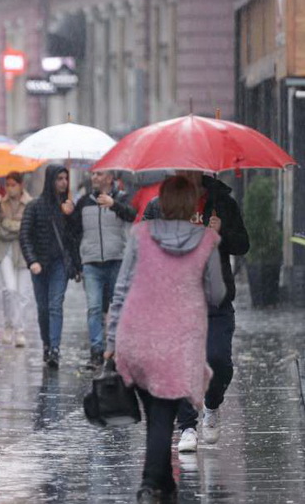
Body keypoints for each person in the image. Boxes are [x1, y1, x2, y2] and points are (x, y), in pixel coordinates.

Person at [105, 176, 225, 502]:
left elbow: (122, 288)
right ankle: (148, 484)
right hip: (177, 341)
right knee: (162, 416)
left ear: (162, 203)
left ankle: (165, 486)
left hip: (137, 336)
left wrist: (111, 341)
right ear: (190, 205)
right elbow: (217, 294)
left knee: (156, 416)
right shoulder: (205, 240)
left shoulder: (140, 235)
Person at [144, 172, 250, 453]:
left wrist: (221, 231)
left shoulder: (222, 202)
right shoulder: (159, 205)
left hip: (216, 298)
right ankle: (188, 426)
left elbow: (243, 245)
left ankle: (212, 404)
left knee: (218, 361)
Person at [71, 170, 136, 368]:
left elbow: (133, 215)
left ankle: (115, 350)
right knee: (94, 308)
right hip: (91, 263)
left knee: (118, 308)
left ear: (110, 178)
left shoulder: (123, 198)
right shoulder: (84, 202)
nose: (94, 178)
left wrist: (114, 205)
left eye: (99, 174)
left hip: (117, 260)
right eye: (93, 174)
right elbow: (74, 233)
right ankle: (96, 352)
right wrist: (77, 263)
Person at [19, 165, 77, 367]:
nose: (63, 183)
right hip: (40, 265)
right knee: (43, 308)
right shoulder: (35, 206)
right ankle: (46, 343)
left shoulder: (69, 207)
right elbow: (25, 235)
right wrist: (32, 260)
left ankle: (54, 348)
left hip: (60, 264)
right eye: (59, 178)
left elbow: (74, 238)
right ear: (51, 180)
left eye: (65, 178)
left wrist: (70, 216)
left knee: (55, 306)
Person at [0, 171, 33, 347]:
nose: (10, 188)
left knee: (23, 293)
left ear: (21, 185)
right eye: (7, 184)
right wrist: (13, 227)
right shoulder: (1, 203)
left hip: (24, 252)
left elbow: (28, 228)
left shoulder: (30, 204)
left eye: (13, 184)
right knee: (9, 289)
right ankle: (10, 325)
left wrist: (11, 226)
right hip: (5, 250)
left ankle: (20, 329)